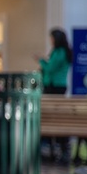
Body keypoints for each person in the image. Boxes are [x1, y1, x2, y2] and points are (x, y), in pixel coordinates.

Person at [36, 27, 73, 162]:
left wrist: (41, 60)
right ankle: (50, 146)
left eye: (51, 38)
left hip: (55, 87)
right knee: (49, 116)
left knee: (54, 116)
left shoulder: (60, 52)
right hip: (53, 86)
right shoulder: (58, 52)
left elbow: (50, 68)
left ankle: (57, 147)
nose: (50, 40)